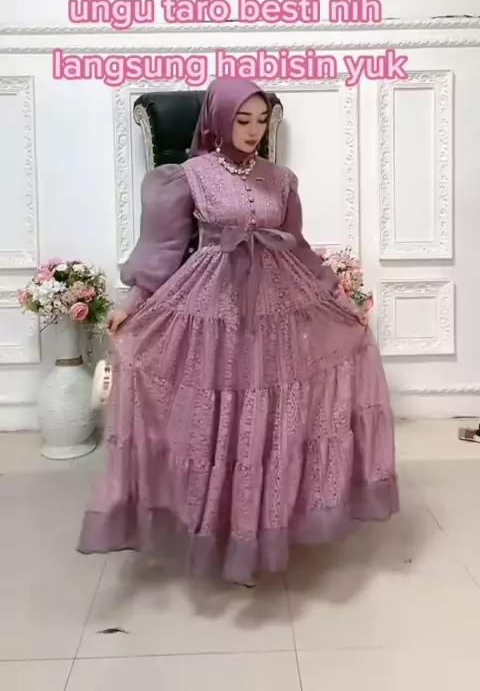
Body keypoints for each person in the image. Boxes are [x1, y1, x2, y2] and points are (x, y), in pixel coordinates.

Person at [78, 77, 399, 585]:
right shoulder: (187, 177)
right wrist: (133, 304)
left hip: (274, 305)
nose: (253, 131)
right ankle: (215, 526)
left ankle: (262, 528)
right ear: (218, 120)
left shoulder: (281, 180)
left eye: (262, 120)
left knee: (268, 414)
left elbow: (298, 248)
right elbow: (164, 250)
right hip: (211, 305)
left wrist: (342, 301)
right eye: (242, 120)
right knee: (217, 415)